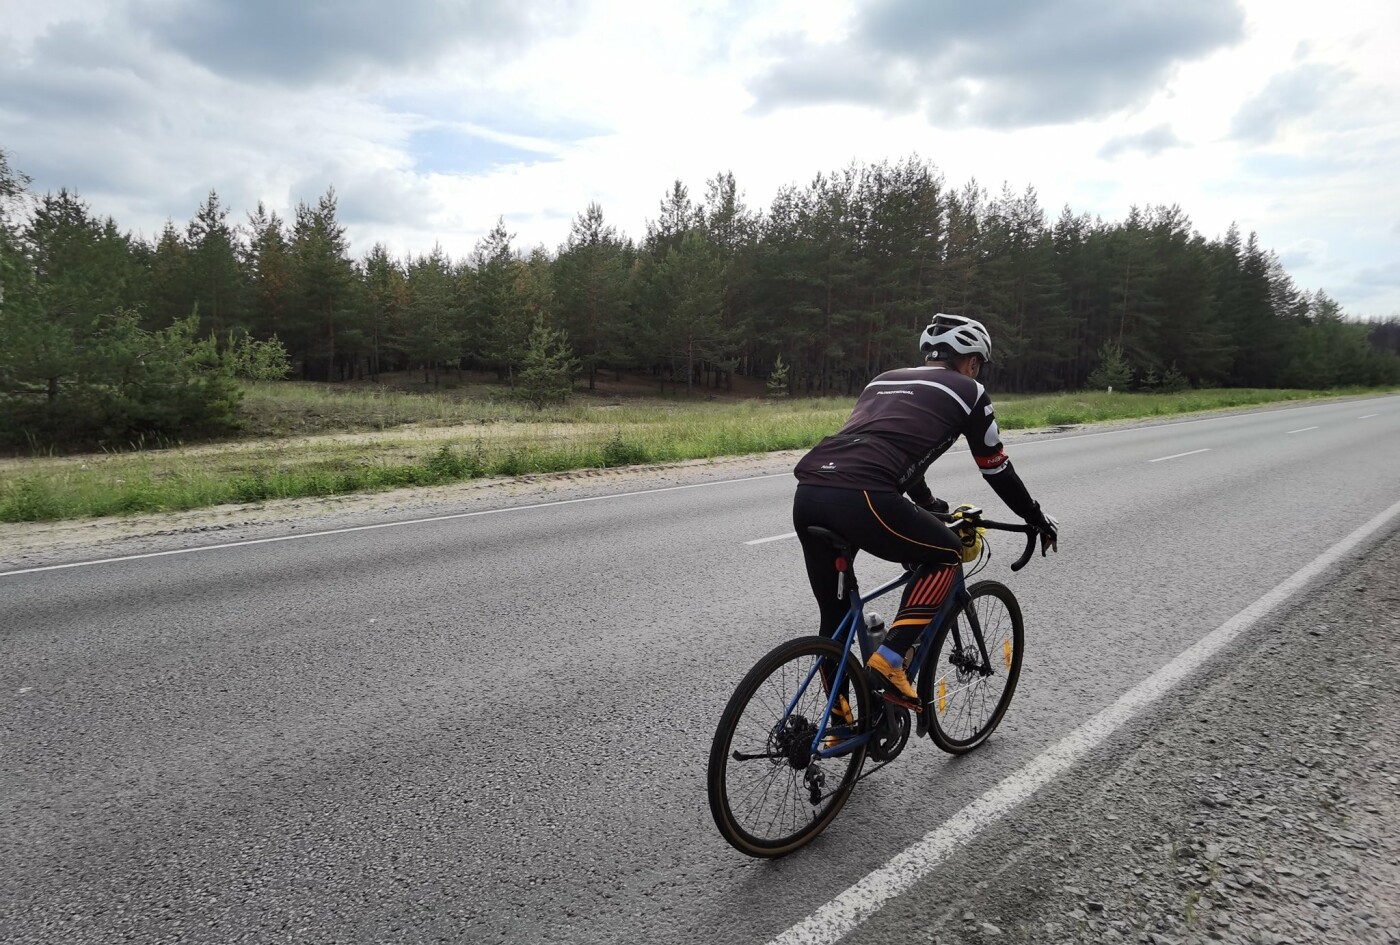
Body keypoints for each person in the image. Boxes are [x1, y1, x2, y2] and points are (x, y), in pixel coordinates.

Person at [792, 313, 1058, 710]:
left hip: (811, 490)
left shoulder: (882, 380)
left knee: (834, 616)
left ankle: (839, 723)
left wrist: (928, 505)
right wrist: (1034, 517)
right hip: (866, 495)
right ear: (971, 361)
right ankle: (891, 659)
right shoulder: (970, 390)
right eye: (978, 364)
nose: (977, 370)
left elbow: (888, 446)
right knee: (947, 554)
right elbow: (995, 467)